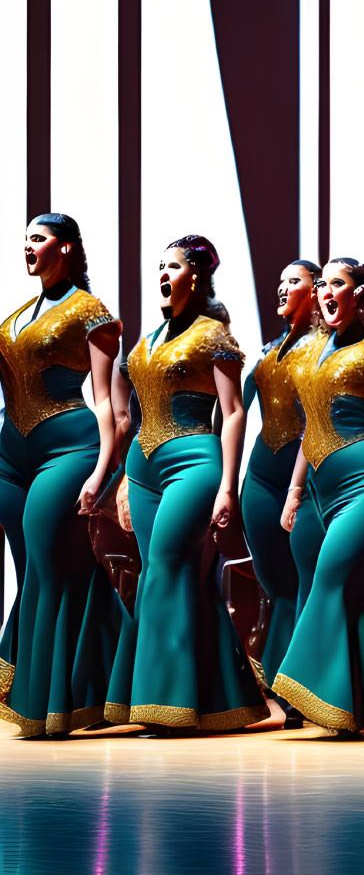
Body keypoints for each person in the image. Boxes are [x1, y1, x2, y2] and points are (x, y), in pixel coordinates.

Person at [107, 235, 267, 734]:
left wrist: (227, 484)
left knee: (167, 568)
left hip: (194, 462)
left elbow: (235, 412)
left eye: (171, 266)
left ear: (193, 277)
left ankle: (164, 703)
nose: (161, 273)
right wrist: (121, 482)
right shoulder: (150, 337)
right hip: (143, 468)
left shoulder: (213, 335)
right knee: (183, 580)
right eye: (159, 265)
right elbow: (128, 412)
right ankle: (224, 701)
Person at [0, 214, 123, 737]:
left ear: (66, 248)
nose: (27, 246)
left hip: (70, 446)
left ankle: (44, 707)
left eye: (39, 238)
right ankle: (95, 686)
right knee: (36, 569)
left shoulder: (89, 310)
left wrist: (102, 470)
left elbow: (106, 400)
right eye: (25, 238)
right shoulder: (19, 314)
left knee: (50, 565)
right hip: (10, 454)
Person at [272, 259, 364, 735]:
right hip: (314, 490)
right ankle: (360, 707)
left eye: (338, 284)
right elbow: (311, 428)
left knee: (332, 579)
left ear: (361, 295)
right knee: (349, 593)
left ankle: (291, 685)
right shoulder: (310, 352)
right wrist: (293, 491)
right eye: (324, 285)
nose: (327, 292)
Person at [240, 259, 324, 714]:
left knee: (303, 579)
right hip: (259, 477)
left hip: (305, 476)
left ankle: (300, 688)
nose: (282, 287)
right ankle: (281, 683)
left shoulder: (325, 350)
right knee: (276, 583)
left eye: (293, 281)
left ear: (316, 292)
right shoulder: (267, 350)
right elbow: (232, 410)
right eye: (280, 280)